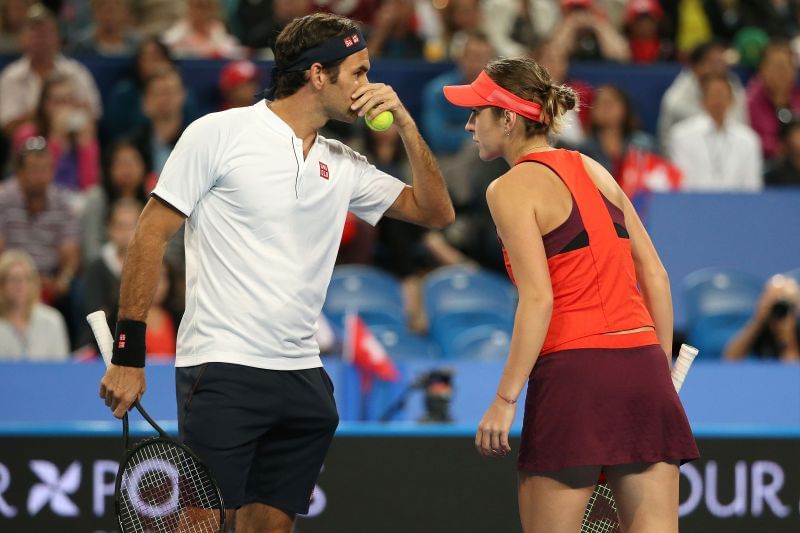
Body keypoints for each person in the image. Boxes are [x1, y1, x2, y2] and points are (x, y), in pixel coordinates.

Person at [98, 12, 454, 532]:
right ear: (317, 75)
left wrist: (405, 120)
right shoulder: (218, 133)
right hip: (222, 369)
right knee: (199, 526)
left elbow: (436, 212)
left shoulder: (344, 162)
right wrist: (128, 355)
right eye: (357, 73)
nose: (368, 87)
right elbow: (150, 235)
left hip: (302, 377)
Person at [443, 56, 698, 532]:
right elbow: (656, 277)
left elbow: (539, 299)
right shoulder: (595, 168)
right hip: (644, 369)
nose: (469, 123)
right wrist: (657, 370)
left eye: (478, 111)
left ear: (509, 117)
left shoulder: (509, 188)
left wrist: (504, 397)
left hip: (576, 376)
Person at [0, 4, 101, 137]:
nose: (41, 40)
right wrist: (46, 111)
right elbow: (8, 127)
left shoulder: (76, 72)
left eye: (47, 33)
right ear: (22, 39)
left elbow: (93, 115)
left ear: (58, 38)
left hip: (71, 144)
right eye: (35, 33)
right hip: (27, 149)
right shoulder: (10, 76)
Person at [0, 137, 80, 305]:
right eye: (34, 169)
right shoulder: (4, 199)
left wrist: (62, 281)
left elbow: (70, 255)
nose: (41, 177)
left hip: (50, 281)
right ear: (19, 173)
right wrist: (22, 280)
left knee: (77, 289)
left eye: (46, 169)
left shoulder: (62, 203)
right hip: (9, 277)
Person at [669, 73, 762, 191]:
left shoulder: (748, 139)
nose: (718, 100)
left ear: (731, 100)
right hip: (693, 203)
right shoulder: (681, 135)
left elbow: (752, 186)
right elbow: (681, 182)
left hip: (737, 205)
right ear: (702, 100)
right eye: (713, 94)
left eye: (722, 95)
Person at [12, 73, 100, 192]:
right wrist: (56, 139)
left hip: (77, 202)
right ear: (44, 105)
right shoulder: (27, 134)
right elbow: (37, 182)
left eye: (70, 100)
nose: (65, 107)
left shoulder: (82, 134)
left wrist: (86, 146)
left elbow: (89, 188)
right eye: (58, 101)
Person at [657, 40, 747, 153]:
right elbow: (668, 144)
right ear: (696, 66)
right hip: (687, 157)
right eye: (713, 63)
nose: (719, 69)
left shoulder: (734, 89)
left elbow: (742, 129)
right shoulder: (677, 98)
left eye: (722, 63)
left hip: (729, 154)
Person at [0, 249, 70, 360]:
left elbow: (61, 368)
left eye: (26, 279)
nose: (19, 286)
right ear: (2, 285)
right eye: (13, 279)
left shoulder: (52, 320)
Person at [724, 274, 800, 362]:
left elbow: (793, 371)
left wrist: (787, 337)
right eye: (773, 302)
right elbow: (730, 359)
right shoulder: (760, 327)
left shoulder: (797, 329)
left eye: (784, 304)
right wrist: (757, 321)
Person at [746, 40, 800, 161]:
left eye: (787, 65)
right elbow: (753, 140)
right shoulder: (751, 101)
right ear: (762, 69)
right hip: (765, 165)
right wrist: (787, 149)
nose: (782, 72)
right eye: (776, 66)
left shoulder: (798, 96)